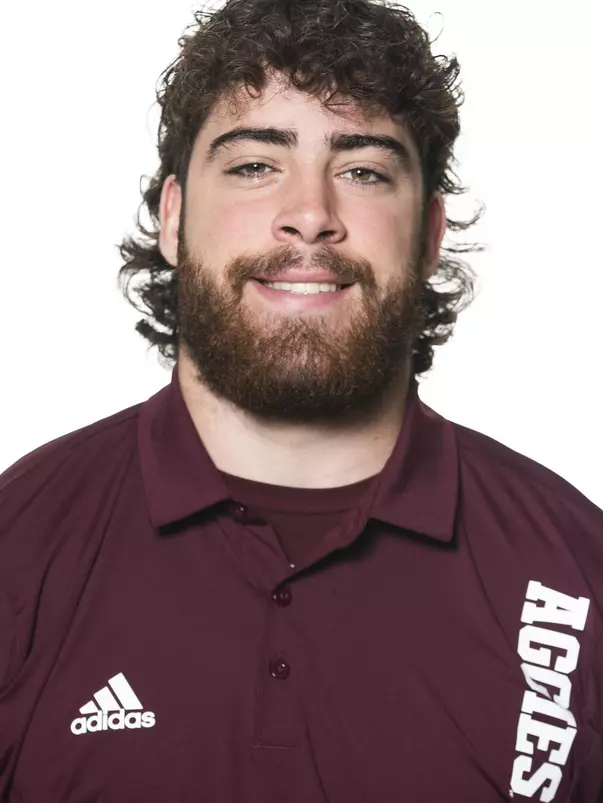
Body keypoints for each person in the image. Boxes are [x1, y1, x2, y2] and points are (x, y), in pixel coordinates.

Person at [1, 0, 602, 800]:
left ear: (429, 234)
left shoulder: (575, 566)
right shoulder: (19, 545)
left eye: (363, 171)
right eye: (255, 165)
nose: (311, 216)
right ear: (174, 218)